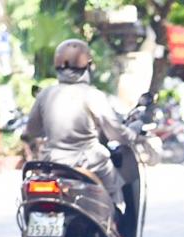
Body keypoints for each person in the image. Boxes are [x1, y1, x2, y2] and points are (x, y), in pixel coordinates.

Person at [21, 39, 137, 208]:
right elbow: (115, 132)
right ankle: (115, 230)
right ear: (88, 67)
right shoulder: (92, 95)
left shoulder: (45, 95)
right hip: (90, 162)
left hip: (52, 164)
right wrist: (133, 135)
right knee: (115, 193)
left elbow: (31, 131)